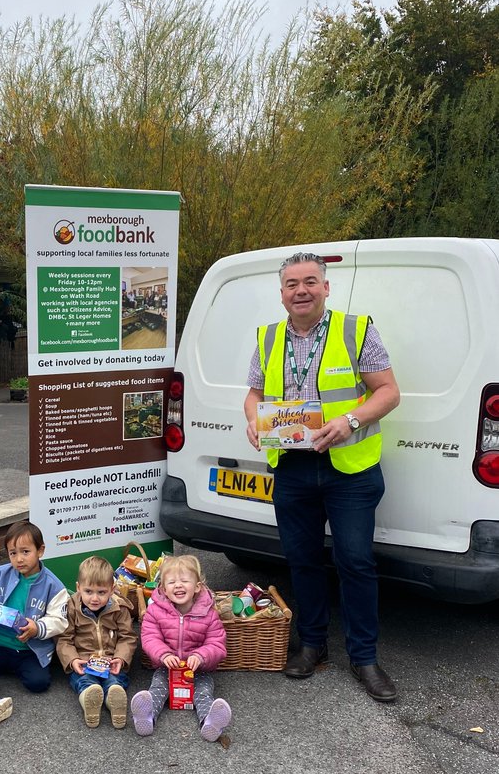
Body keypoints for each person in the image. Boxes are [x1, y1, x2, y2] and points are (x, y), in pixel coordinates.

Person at [244, 251, 401, 702]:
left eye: (310, 282)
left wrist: (349, 422)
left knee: (355, 561)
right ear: (282, 293)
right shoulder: (269, 337)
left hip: (348, 469)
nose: (301, 291)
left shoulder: (356, 331)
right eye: (292, 284)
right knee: (303, 560)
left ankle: (364, 658)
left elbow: (389, 391)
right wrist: (254, 421)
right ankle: (312, 645)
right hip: (292, 468)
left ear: (326, 288)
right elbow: (254, 394)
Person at [0, 520, 68, 728]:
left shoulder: (53, 585)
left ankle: (15, 671)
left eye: (25, 552)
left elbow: (60, 620)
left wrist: (37, 628)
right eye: (13, 553)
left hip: (28, 651)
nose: (19, 559)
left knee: (39, 684)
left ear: (40, 551)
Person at [130, 555, 231, 740]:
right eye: (172, 582)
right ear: (162, 588)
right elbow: (150, 637)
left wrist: (201, 656)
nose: (178, 585)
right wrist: (163, 654)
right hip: (167, 667)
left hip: (198, 670)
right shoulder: (155, 611)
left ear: (198, 587)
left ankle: (210, 721)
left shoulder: (208, 613)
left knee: (203, 692)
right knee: (159, 687)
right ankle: (147, 714)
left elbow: (217, 643)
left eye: (184, 580)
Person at [55, 555, 137, 729]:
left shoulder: (119, 608)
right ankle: (88, 698)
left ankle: (113, 699)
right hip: (84, 661)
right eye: (88, 591)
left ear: (112, 589)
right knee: (83, 679)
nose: (95, 598)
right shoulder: (72, 608)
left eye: (101, 592)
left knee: (116, 680)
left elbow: (127, 637)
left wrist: (120, 659)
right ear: (78, 588)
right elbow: (64, 639)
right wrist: (73, 660)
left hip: (110, 661)